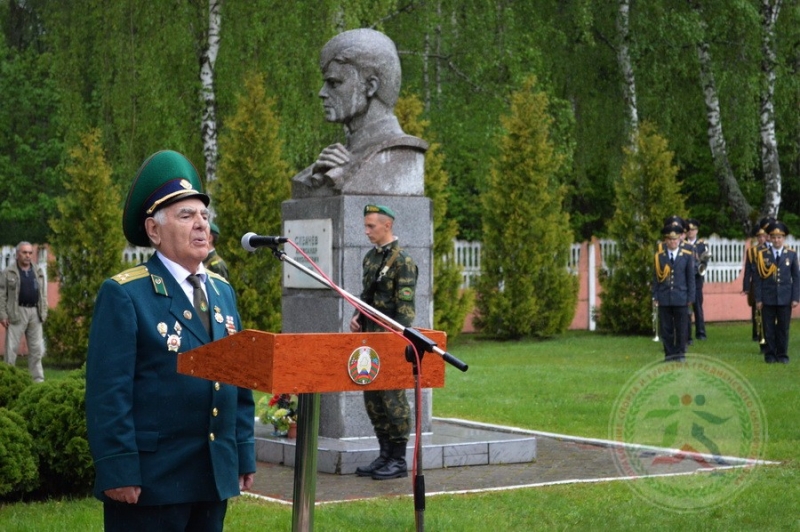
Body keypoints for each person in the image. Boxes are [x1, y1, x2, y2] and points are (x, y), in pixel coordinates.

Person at [85, 150, 256, 531]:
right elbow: (108, 392)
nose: (201, 225)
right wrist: (118, 468)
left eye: (204, 216)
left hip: (211, 475)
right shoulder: (126, 294)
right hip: (152, 481)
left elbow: (239, 380)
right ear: (154, 230)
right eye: (186, 215)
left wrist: (243, 453)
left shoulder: (222, 291)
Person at [292, 28, 428, 198]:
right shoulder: (340, 155)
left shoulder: (401, 152)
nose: (322, 93)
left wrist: (343, 173)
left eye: (334, 83)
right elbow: (300, 185)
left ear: (370, 87)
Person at [349, 204, 418, 480]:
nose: (366, 231)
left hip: (390, 340)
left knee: (393, 400)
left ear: (387, 225)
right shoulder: (370, 258)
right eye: (365, 226)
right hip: (369, 339)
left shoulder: (403, 262)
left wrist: (395, 343)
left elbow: (405, 311)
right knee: (373, 400)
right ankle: (385, 454)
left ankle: (398, 460)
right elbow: (366, 296)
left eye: (371, 226)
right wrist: (356, 316)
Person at [0, 241, 48, 382]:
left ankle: (38, 381)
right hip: (16, 312)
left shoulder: (38, 271)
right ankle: (8, 380)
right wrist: (3, 315)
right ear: (17, 254)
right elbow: (2, 295)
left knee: (36, 350)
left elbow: (43, 294)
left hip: (35, 313)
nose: (28, 255)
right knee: (11, 350)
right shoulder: (8, 272)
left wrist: (44, 311)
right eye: (24, 252)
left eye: (30, 253)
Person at [754, 221, 800, 364]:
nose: (776, 240)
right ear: (769, 238)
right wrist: (758, 299)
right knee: (768, 328)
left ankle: (782, 355)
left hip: (785, 298)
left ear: (784, 238)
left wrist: (795, 298)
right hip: (768, 297)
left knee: (783, 328)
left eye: (779, 237)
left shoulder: (791, 254)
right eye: (773, 237)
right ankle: (770, 355)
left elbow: (796, 278)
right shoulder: (762, 255)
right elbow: (758, 279)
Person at [652, 225, 696, 362]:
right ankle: (669, 354)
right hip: (664, 297)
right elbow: (655, 278)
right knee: (666, 328)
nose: (673, 242)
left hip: (681, 296)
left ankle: (680, 353)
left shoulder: (687, 256)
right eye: (670, 239)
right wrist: (655, 295)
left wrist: (691, 297)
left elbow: (690, 278)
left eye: (675, 239)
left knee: (681, 328)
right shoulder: (659, 257)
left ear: (679, 240)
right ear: (666, 240)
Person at [742, 219, 772, 348]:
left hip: (768, 284)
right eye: (759, 237)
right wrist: (746, 287)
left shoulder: (771, 250)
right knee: (756, 310)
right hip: (756, 283)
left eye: (763, 236)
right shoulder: (752, 251)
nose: (761, 239)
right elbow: (747, 270)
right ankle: (757, 334)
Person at [685, 219, 710, 341]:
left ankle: (701, 333)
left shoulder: (702, 244)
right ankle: (687, 332)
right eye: (689, 230)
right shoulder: (683, 244)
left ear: (697, 231)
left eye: (693, 230)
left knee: (698, 306)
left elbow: (704, 261)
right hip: (685, 279)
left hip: (697, 278)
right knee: (686, 307)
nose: (691, 232)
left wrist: (697, 267)